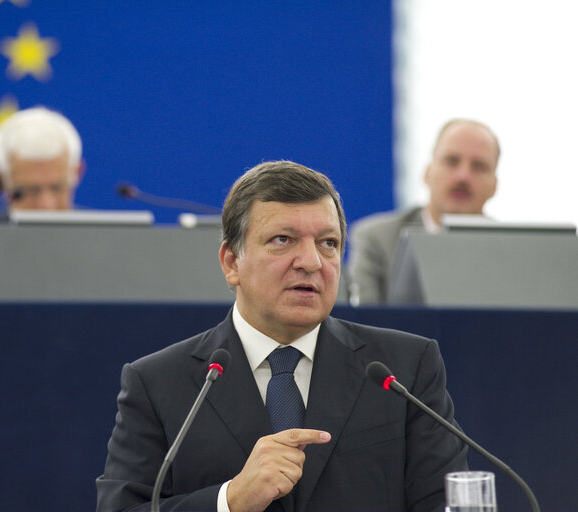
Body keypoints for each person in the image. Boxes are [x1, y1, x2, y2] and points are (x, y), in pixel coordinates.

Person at [96, 160, 468, 512]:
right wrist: (230, 500)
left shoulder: (403, 368)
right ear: (231, 263)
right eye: (283, 239)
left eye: (328, 243)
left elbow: (446, 501)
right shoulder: (159, 383)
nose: (312, 262)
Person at [348, 119, 500, 304]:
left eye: (479, 166)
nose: (463, 176)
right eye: (451, 161)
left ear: (494, 186)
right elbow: (365, 322)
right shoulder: (378, 239)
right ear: (427, 173)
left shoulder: (510, 248)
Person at [0, 107, 85, 211]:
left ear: (77, 173)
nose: (46, 205)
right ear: (0, 181)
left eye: (57, 188)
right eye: (31, 190)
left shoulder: (99, 227)